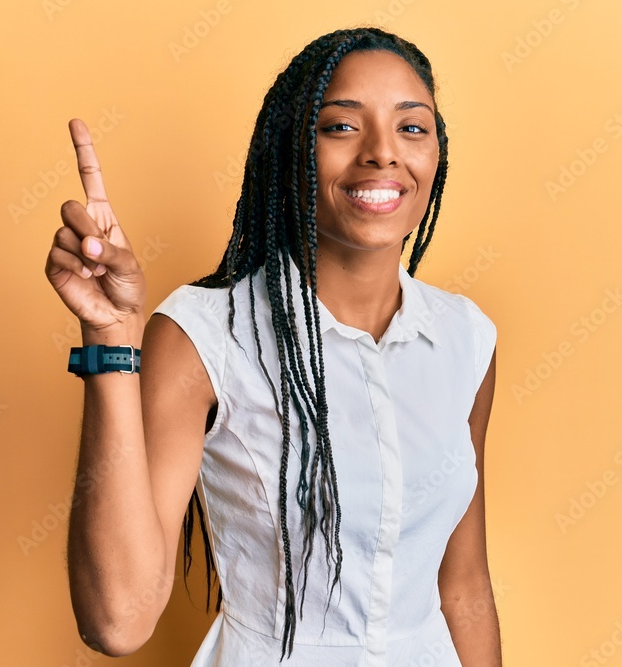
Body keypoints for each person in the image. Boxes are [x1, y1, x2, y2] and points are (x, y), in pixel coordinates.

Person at [45, 27, 501, 666]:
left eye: (411, 127)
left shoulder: (466, 338)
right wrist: (111, 336)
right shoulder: (205, 335)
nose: (382, 153)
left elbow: (464, 585)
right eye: (341, 127)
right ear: (291, 151)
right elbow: (117, 622)